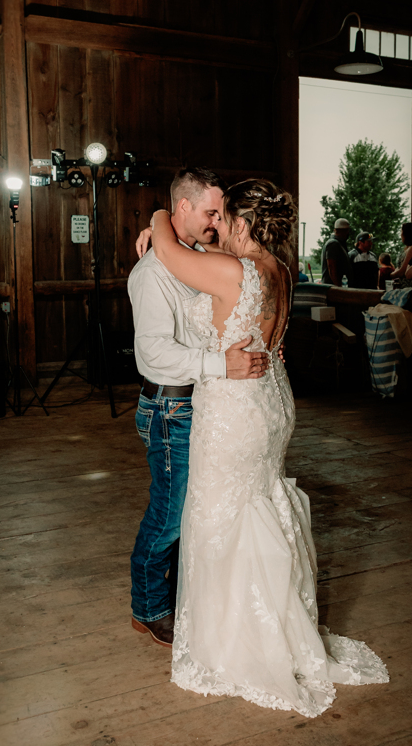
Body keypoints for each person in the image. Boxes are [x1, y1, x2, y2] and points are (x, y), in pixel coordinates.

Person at [150, 179, 389, 719]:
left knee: (221, 514)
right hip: (272, 402)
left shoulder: (232, 272)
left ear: (240, 223)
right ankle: (273, 624)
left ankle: (238, 642)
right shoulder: (278, 271)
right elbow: (213, 260)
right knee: (259, 505)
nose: (213, 228)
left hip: (235, 409)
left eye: (222, 220)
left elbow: (168, 250)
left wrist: (160, 216)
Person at [128, 168, 270, 648]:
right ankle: (147, 609)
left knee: (193, 512)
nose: (216, 222)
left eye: (221, 214)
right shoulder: (151, 273)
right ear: (182, 208)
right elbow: (153, 355)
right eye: (210, 212)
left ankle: (178, 598)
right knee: (168, 515)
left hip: (202, 406)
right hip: (169, 408)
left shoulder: (192, 258)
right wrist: (221, 364)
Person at [320, 218, 351, 286]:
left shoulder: (339, 244)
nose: (348, 233)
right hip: (332, 288)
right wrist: (338, 287)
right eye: (346, 231)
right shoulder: (333, 244)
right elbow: (331, 267)